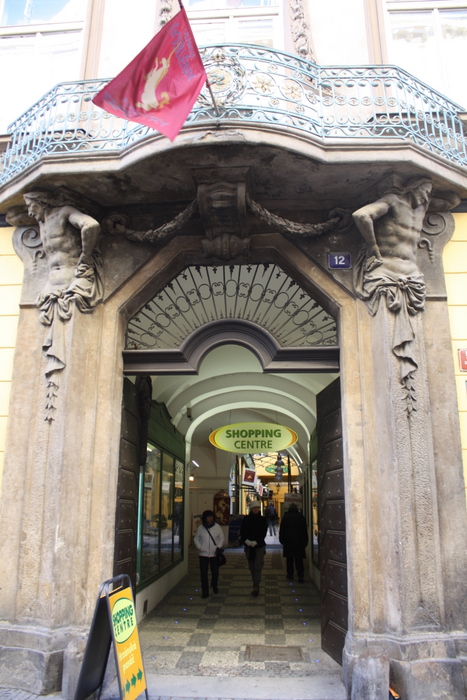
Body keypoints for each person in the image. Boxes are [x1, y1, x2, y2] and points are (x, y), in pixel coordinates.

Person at [239, 501, 267, 596]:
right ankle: (254, 582)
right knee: (251, 567)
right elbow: (242, 531)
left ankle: (256, 585)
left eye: (257, 508)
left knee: (257, 566)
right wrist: (246, 540)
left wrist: (257, 541)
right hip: (249, 547)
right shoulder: (246, 519)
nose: (256, 509)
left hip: (259, 546)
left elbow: (263, 532)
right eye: (254, 508)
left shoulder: (262, 520)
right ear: (251, 509)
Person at [194, 509, 225, 599]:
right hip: (203, 554)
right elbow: (196, 539)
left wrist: (218, 546)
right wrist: (200, 547)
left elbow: (221, 537)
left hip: (214, 554)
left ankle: (214, 584)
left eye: (211, 517)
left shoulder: (217, 527)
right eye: (208, 517)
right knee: (203, 573)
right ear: (205, 518)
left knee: (215, 571)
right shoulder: (200, 528)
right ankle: (205, 591)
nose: (210, 518)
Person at [279, 503, 308, 582]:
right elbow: (304, 531)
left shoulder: (285, 517)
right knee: (299, 560)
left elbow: (282, 530)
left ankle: (290, 574)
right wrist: (305, 541)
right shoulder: (301, 517)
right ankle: (300, 575)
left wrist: (282, 540)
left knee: (289, 559)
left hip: (288, 542)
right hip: (299, 542)